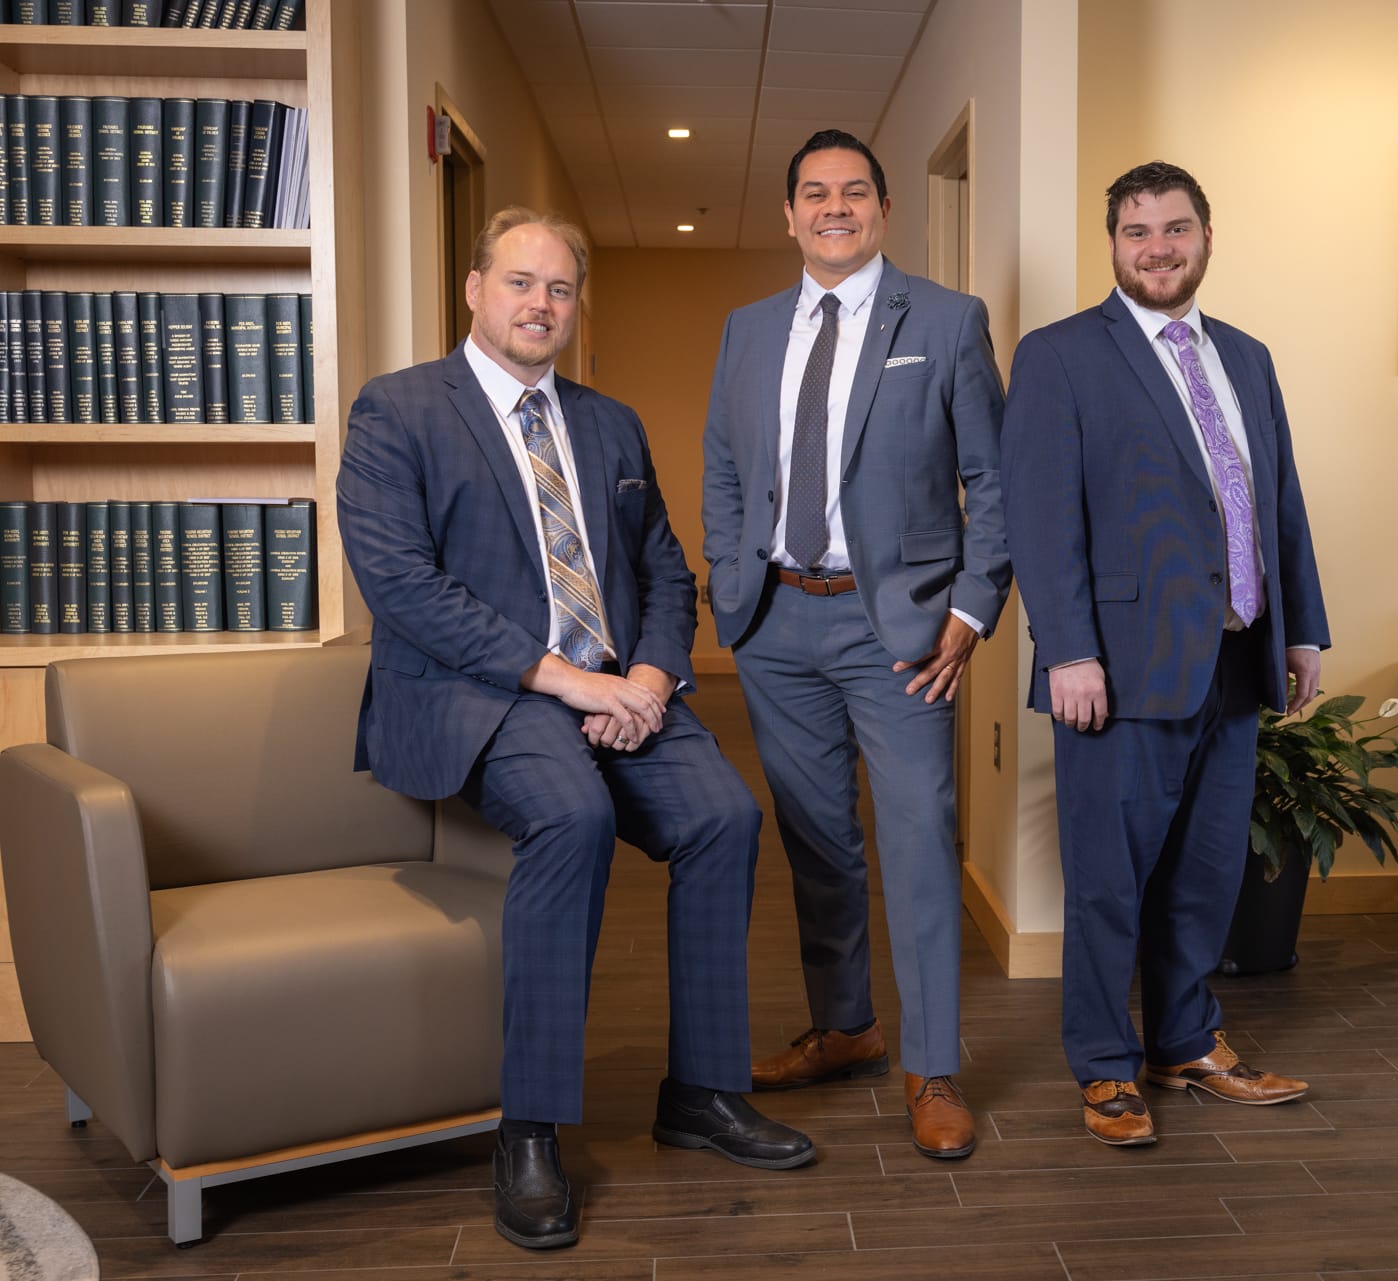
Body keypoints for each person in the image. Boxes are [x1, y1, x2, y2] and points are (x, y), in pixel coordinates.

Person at [337, 206, 813, 1252]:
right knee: (571, 817)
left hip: (614, 680)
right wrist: (566, 684)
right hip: (488, 693)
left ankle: (702, 1091)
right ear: (474, 289)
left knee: (727, 817)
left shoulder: (608, 423)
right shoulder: (397, 412)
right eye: (519, 283)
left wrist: (646, 672)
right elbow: (403, 588)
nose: (539, 305)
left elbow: (660, 566)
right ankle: (532, 1127)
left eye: (558, 288)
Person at [1001, 162, 1330, 1146]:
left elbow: (1276, 504)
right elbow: (1040, 511)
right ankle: (1104, 1066)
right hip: (1117, 666)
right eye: (1137, 231)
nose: (1157, 247)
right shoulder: (1061, 355)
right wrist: (1066, 648)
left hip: (1233, 660)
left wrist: (1302, 626)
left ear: (1206, 236)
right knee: (1109, 879)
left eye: (1174, 228)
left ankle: (1185, 1041)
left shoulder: (1248, 356)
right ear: (1113, 244)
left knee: (1207, 873)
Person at [701, 129, 1010, 1160]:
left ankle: (933, 1066)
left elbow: (994, 483)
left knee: (919, 836)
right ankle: (848, 1028)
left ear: (884, 210)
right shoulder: (746, 331)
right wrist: (729, 578)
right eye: (814, 193)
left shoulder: (949, 322)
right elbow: (724, 467)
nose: (835, 207)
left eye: (855, 192)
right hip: (775, 620)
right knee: (818, 841)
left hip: (905, 631)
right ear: (788, 214)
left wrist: (969, 612)